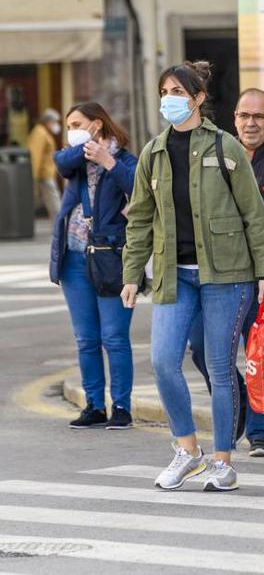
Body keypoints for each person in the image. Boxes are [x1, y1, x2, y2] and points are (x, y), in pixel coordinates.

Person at [121, 61, 264, 492]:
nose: (169, 99)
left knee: (219, 367)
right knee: (162, 361)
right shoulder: (153, 153)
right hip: (174, 275)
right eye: (164, 92)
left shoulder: (225, 147)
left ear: (199, 98)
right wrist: (131, 274)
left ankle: (223, 461)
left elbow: (254, 214)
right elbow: (140, 220)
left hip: (226, 274)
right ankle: (188, 450)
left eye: (177, 92)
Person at [189, 88, 264, 457]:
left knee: (263, 353)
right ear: (234, 118)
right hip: (218, 274)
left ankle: (261, 431)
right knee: (201, 348)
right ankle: (237, 402)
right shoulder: (217, 154)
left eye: (258, 116)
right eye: (244, 116)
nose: (250, 123)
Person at [51, 103, 137, 430]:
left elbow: (139, 188)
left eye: (77, 124)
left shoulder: (126, 159)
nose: (70, 130)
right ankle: (94, 406)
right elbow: (60, 162)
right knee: (86, 338)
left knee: (114, 337)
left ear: (97, 124)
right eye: (68, 125)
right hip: (74, 259)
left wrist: (108, 161)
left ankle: (122, 407)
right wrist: (85, 147)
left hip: (111, 257)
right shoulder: (75, 159)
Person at [28, 108, 61, 218]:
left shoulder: (43, 132)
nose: (56, 125)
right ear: (48, 121)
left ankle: (58, 221)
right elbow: (35, 155)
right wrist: (33, 175)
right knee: (53, 198)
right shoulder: (40, 133)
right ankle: (60, 221)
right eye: (54, 122)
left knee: (52, 198)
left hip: (46, 172)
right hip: (44, 173)